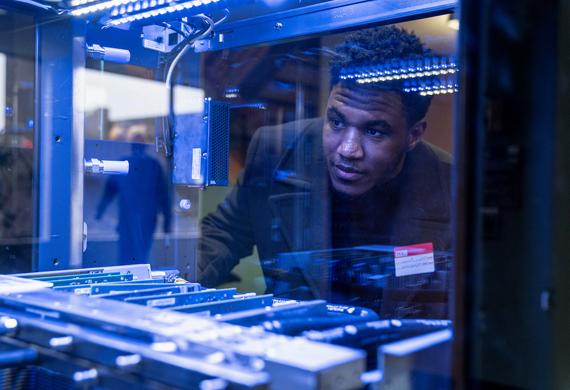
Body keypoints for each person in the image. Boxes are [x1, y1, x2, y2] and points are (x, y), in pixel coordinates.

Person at [197, 26, 452, 313]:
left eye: (375, 131)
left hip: (399, 350)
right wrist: (166, 292)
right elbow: (223, 234)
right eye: (337, 122)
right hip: (300, 346)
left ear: (414, 135)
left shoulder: (451, 184)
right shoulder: (275, 149)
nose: (348, 149)